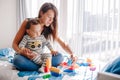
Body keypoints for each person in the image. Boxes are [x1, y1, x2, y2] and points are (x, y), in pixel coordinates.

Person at [12, 2, 76, 71]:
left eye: (53, 18)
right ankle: (45, 66)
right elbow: (14, 44)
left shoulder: (50, 28)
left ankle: (40, 66)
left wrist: (72, 53)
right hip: (25, 56)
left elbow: (63, 44)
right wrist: (21, 51)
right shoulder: (28, 22)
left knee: (59, 57)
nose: (51, 21)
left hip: (38, 57)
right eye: (49, 17)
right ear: (41, 13)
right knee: (17, 60)